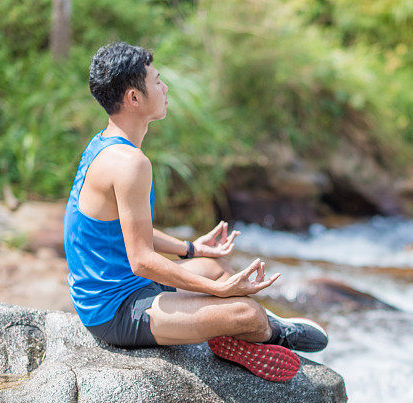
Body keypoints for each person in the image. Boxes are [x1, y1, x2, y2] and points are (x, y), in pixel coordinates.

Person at [63, 42, 327, 381]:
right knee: (245, 312)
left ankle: (229, 333)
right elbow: (141, 259)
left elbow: (121, 229)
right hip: (115, 313)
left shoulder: (102, 144)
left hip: (130, 288)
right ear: (134, 98)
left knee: (216, 266)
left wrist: (191, 249)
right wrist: (218, 294)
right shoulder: (130, 164)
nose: (165, 87)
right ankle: (268, 331)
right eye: (157, 81)